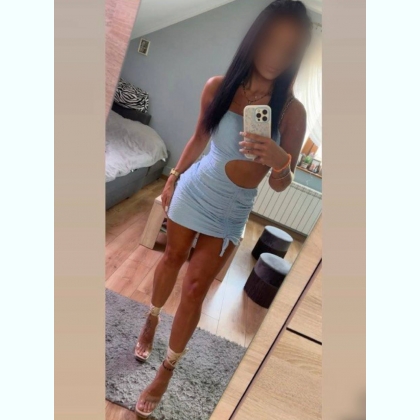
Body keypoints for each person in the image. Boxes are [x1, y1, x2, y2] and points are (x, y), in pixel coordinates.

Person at [135, 0, 312, 417]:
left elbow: (281, 185)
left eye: (289, 49)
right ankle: (152, 317)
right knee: (171, 258)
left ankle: (167, 369)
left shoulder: (292, 112)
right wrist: (174, 177)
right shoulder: (219, 87)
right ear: (256, 37)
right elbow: (199, 138)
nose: (276, 56)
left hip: (231, 210)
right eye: (271, 42)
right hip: (195, 189)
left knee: (196, 288)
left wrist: (281, 161)